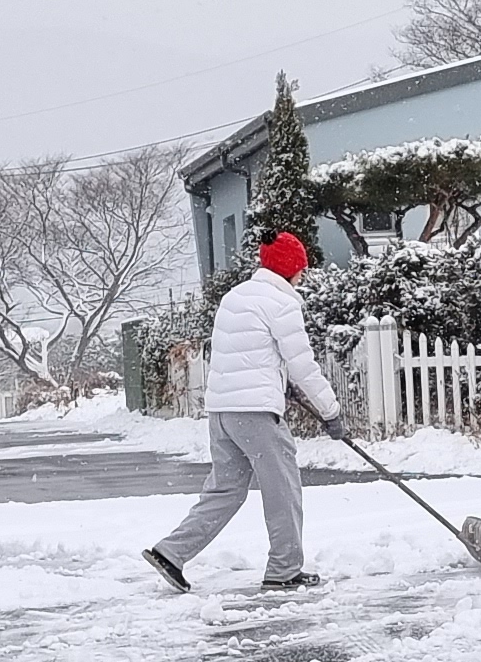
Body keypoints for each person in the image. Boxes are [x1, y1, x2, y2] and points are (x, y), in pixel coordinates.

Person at [144, 231, 340, 593]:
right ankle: (284, 569)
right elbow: (303, 364)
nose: (303, 275)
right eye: (301, 268)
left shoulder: (235, 297)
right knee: (282, 488)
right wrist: (330, 411)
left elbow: (245, 355)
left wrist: (279, 383)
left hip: (222, 411)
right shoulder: (282, 303)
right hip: (254, 414)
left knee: (226, 489)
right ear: (290, 269)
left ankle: (171, 552)